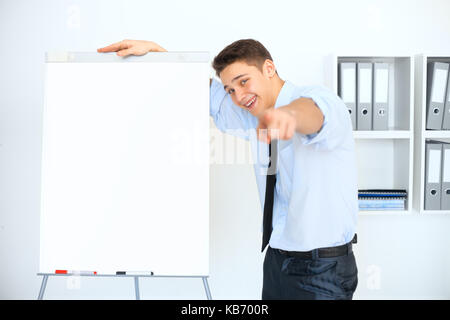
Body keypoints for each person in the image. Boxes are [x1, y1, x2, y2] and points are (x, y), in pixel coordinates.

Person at [97, 39, 359, 300]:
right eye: (230, 89)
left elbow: (314, 113)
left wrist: (287, 116)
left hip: (323, 270)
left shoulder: (317, 99)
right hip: (277, 261)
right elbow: (203, 91)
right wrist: (158, 54)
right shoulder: (250, 113)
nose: (238, 96)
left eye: (243, 81)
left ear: (269, 68)